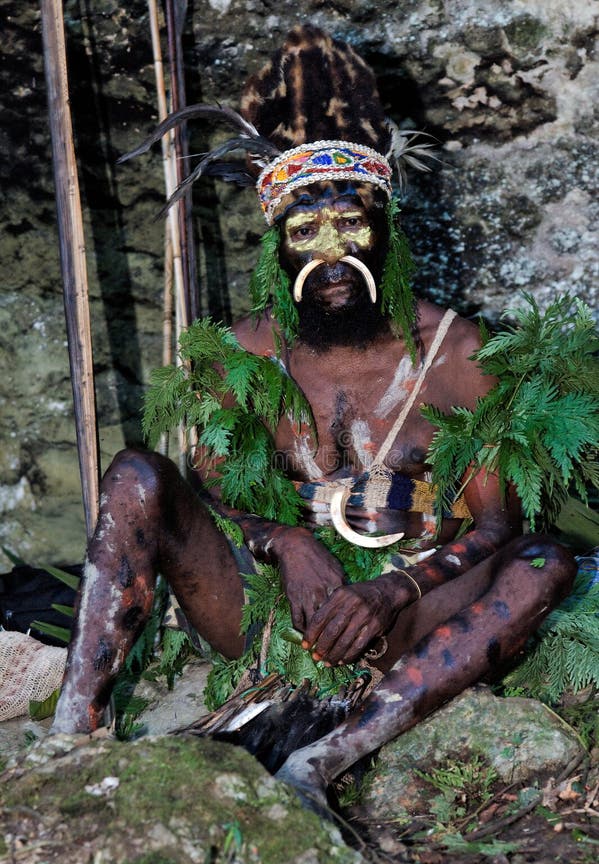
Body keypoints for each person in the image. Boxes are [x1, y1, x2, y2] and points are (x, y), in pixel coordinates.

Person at [51, 26, 576, 807]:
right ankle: (70, 734)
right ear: (278, 249)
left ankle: (324, 761)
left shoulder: (460, 353)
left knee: (545, 560)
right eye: (305, 234)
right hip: (270, 619)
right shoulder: (243, 354)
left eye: (351, 226)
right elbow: (214, 498)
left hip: (412, 617)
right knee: (136, 474)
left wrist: (391, 591)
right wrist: (285, 541)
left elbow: (494, 528)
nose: (331, 255)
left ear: (386, 229)